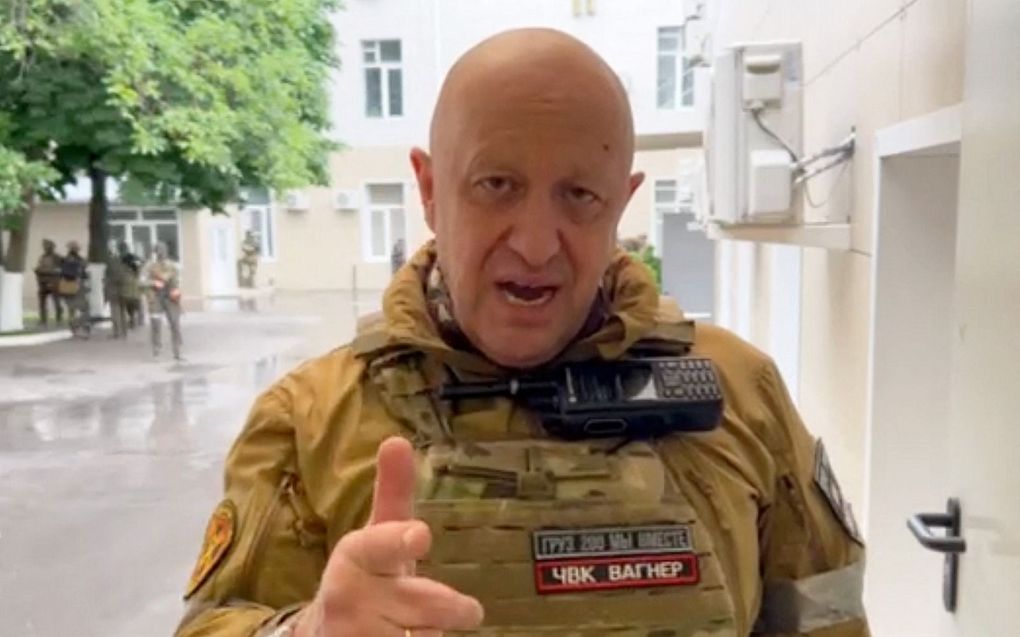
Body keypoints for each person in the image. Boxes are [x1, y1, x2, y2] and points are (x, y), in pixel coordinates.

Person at [176, 30, 869, 637]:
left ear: (621, 203)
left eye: (580, 195)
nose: (536, 244)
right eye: (497, 184)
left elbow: (827, 620)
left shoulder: (740, 394)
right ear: (429, 190)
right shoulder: (310, 420)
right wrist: (308, 631)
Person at [142, 242, 183, 360]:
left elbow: (177, 280)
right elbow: (141, 280)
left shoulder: (172, 265)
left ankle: (177, 351)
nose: (161, 253)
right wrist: (153, 283)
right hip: (155, 297)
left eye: (163, 250)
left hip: (170, 297)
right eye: (159, 250)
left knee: (175, 323)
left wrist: (176, 290)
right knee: (156, 324)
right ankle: (156, 350)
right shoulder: (150, 266)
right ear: (155, 252)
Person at [58, 241, 90, 338]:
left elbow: (60, 273)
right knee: (85, 309)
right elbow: (84, 274)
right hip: (77, 286)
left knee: (71, 309)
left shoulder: (64, 260)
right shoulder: (80, 261)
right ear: (76, 249)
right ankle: (80, 326)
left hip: (66, 287)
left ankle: (74, 329)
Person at [33, 239, 63, 327]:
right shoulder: (42, 257)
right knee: (42, 302)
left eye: (47, 246)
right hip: (42, 282)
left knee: (56, 301)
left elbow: (60, 270)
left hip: (54, 282)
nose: (45, 248)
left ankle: (59, 319)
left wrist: (48, 271)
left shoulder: (57, 257)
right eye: (44, 246)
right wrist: (38, 270)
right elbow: (40, 266)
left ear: (51, 247)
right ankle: (43, 320)